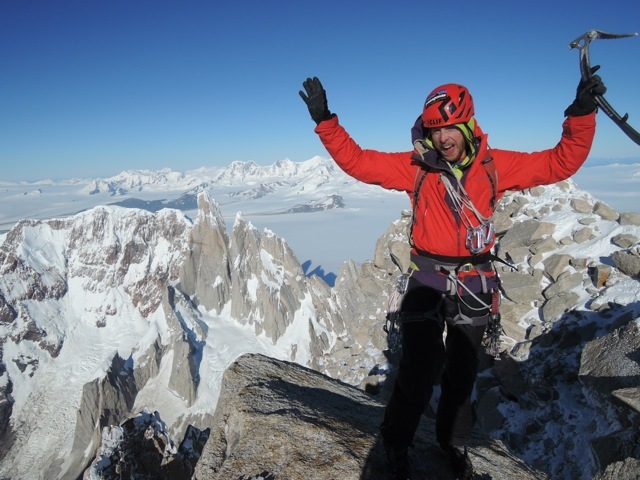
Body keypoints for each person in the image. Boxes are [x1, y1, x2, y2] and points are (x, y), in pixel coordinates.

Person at [299, 70, 605, 480]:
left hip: (474, 282)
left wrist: (581, 114)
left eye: (449, 128)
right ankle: (394, 444)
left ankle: (453, 444)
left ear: (466, 126)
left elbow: (558, 163)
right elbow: (360, 163)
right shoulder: (417, 168)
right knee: (420, 367)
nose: (443, 138)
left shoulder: (496, 166)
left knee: (462, 373)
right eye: (435, 129)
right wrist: (326, 121)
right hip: (426, 277)